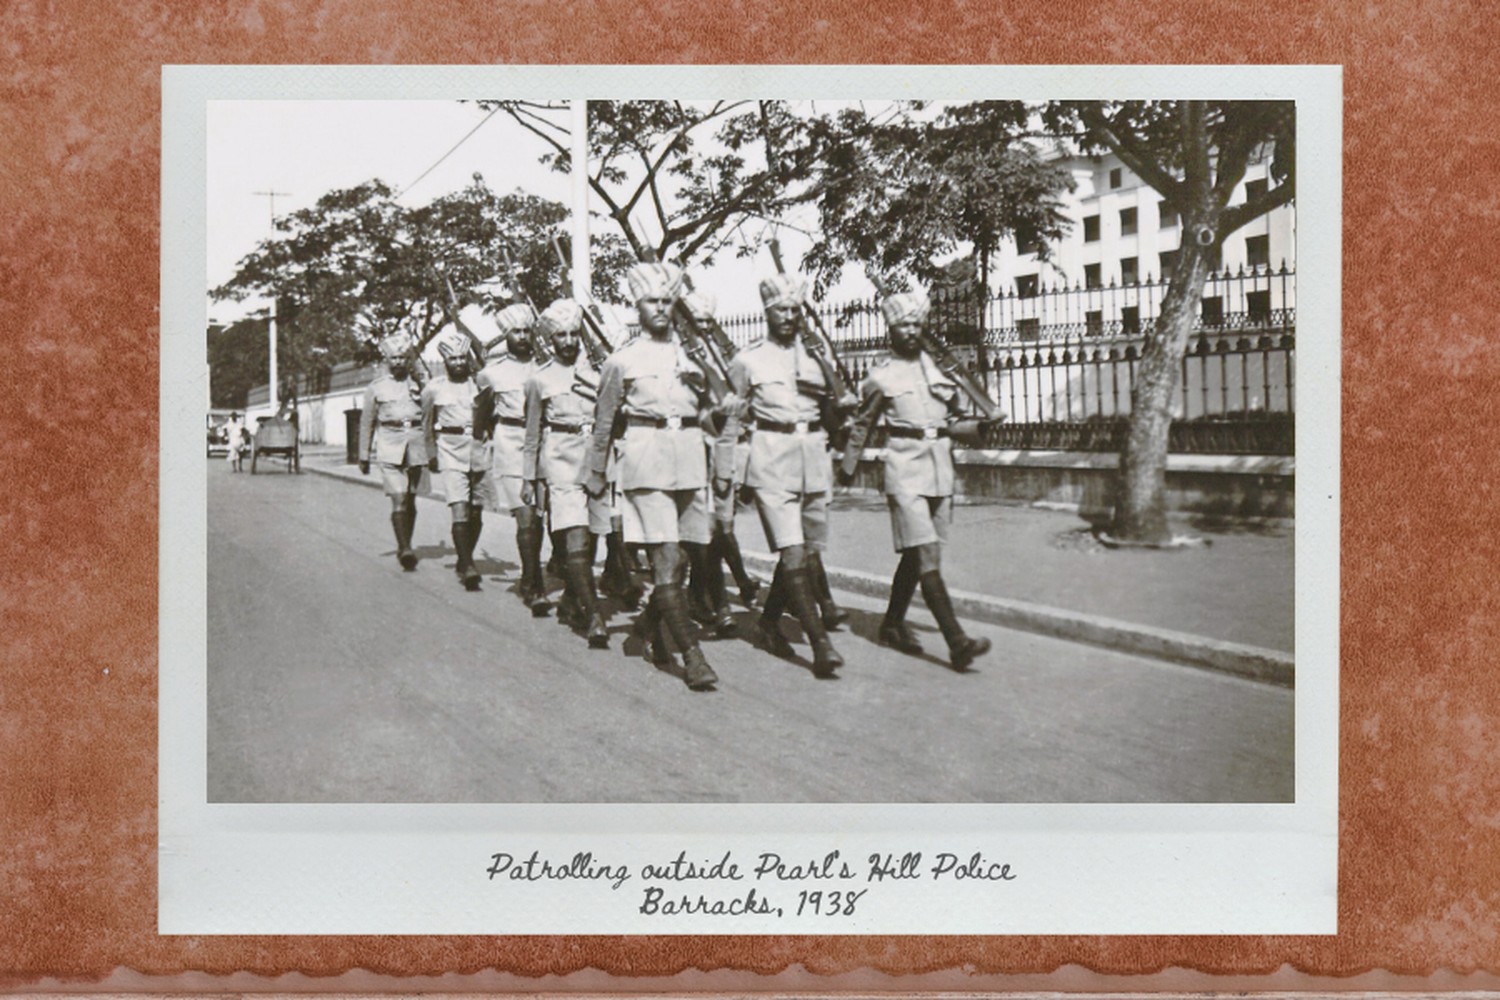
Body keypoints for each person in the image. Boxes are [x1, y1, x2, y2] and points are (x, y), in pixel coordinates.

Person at [585, 261, 719, 692]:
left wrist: (709, 389)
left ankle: (646, 627)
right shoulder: (621, 360)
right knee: (665, 559)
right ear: (636, 305)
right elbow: (604, 421)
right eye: (652, 301)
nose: (661, 308)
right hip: (645, 461)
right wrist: (595, 473)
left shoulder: (694, 353)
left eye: (667, 301)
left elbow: (716, 414)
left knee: (681, 560)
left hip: (690, 460)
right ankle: (693, 658)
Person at [716, 273, 853, 678]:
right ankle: (820, 646)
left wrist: (841, 409)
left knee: (806, 552)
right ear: (767, 312)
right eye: (782, 310)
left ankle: (767, 623)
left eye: (795, 309)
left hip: (813, 458)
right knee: (793, 552)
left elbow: (829, 418)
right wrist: (726, 471)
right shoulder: (747, 360)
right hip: (771, 460)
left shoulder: (816, 357)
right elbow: (730, 419)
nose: (789, 316)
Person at [859, 288, 991, 670]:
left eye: (917, 323)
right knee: (927, 553)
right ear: (890, 329)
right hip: (903, 470)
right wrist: (844, 463)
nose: (912, 330)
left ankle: (891, 625)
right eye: (903, 325)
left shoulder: (941, 369)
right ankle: (956, 641)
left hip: (940, 470)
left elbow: (956, 418)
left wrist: (980, 426)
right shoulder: (879, 377)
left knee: (920, 556)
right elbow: (860, 426)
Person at [523, 299, 611, 649]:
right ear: (550, 339)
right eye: (561, 335)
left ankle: (574, 600)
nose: (569, 341)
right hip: (559, 458)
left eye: (575, 333)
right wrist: (529, 478)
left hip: (597, 459)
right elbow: (532, 434)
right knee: (575, 537)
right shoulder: (539, 379)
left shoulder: (600, 373)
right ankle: (595, 618)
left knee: (593, 538)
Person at [474, 303, 551, 616]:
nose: (522, 336)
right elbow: (481, 415)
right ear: (505, 335)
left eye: (526, 330)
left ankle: (531, 574)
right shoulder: (491, 374)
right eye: (515, 331)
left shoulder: (544, 367)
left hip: (544, 443)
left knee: (540, 517)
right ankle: (534, 586)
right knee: (525, 515)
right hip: (511, 444)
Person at [421, 327, 488, 591]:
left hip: (478, 449)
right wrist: (431, 454)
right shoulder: (433, 389)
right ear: (445, 362)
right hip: (449, 449)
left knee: (477, 509)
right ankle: (468, 564)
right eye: (453, 359)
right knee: (459, 506)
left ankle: (464, 557)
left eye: (462, 358)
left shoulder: (480, 384)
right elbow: (426, 425)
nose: (459, 363)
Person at [357, 331, 428, 570]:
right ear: (387, 360)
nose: (398, 362)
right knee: (399, 497)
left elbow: (430, 413)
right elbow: (367, 422)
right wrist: (363, 454)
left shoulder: (419, 383)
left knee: (411, 500)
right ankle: (406, 548)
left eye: (402, 358)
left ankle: (404, 543)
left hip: (416, 445)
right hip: (389, 445)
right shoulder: (376, 388)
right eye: (394, 358)